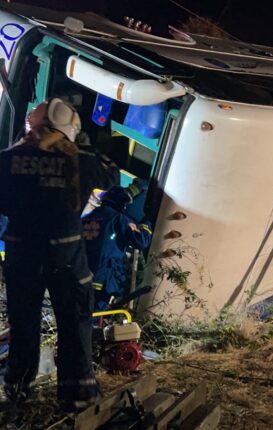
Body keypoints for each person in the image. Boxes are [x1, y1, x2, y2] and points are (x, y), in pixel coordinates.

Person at [0, 98, 100, 411]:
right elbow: (108, 176)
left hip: (22, 256)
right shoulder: (81, 159)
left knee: (24, 323)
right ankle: (77, 394)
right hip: (66, 257)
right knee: (74, 323)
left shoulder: (9, 158)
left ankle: (18, 388)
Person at [82, 185, 152, 311]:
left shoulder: (87, 216)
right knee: (92, 318)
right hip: (102, 278)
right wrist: (146, 223)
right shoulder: (119, 219)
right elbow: (141, 241)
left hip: (82, 274)